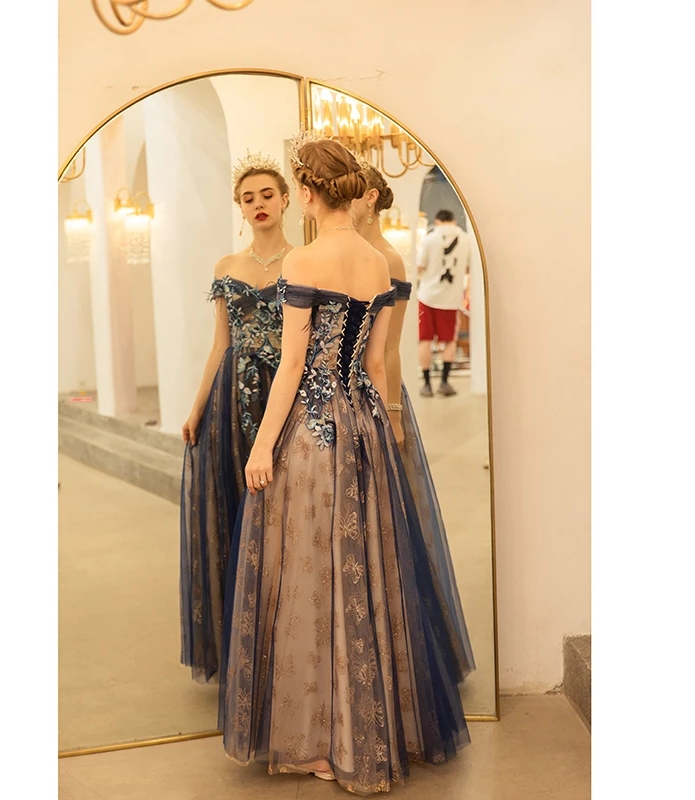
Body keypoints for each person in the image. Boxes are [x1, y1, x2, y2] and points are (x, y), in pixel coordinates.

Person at [219, 136, 470, 794]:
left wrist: (262, 445)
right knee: (365, 572)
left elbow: (294, 368)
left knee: (310, 574)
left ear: (304, 193)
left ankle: (319, 742)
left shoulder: (304, 258)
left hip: (314, 431)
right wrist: (385, 427)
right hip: (364, 427)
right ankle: (371, 730)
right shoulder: (378, 261)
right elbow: (377, 364)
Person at [352, 159, 475, 684]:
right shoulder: (341, 253)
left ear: (371, 199)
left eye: (352, 192)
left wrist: (393, 413)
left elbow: (390, 349)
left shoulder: (388, 258)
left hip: (375, 393)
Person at [179, 152, 292, 683]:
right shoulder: (226, 267)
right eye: (248, 198)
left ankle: (286, 638)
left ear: (286, 199)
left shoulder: (306, 261)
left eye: (267, 194)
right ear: (240, 208)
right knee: (235, 511)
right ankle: (243, 647)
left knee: (284, 511)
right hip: (231, 400)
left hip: (286, 395)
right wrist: (197, 406)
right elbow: (220, 343)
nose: (258, 204)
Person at [416, 209, 472, 397]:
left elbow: (419, 266)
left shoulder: (429, 238)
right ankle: (444, 382)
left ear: (437, 221)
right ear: (454, 221)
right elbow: (468, 268)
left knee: (425, 339)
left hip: (427, 297)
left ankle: (426, 384)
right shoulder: (466, 239)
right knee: (449, 340)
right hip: (451, 298)